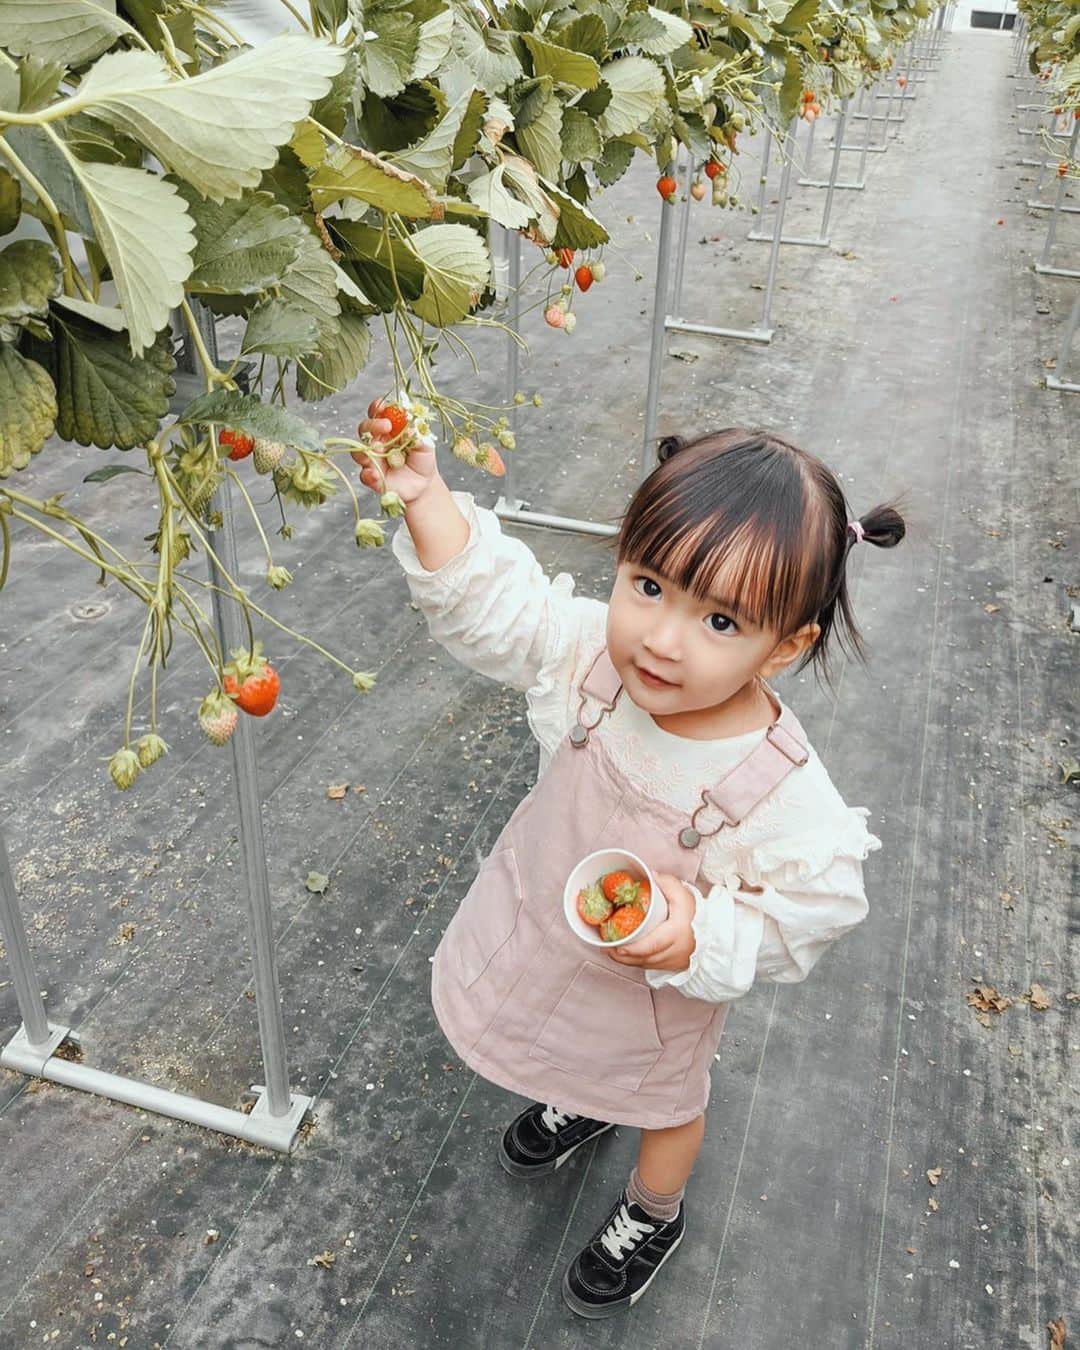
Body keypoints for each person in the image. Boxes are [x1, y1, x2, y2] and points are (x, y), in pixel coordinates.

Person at [354, 426, 905, 1320]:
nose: (661, 639)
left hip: (651, 1005)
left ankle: (653, 1210)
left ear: (783, 648)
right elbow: (498, 604)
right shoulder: (588, 656)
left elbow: (817, 908)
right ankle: (581, 1102)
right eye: (648, 586)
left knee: (663, 1106)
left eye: (720, 622)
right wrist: (425, 499)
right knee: (574, 1057)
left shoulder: (776, 788)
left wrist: (703, 933)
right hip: (544, 933)